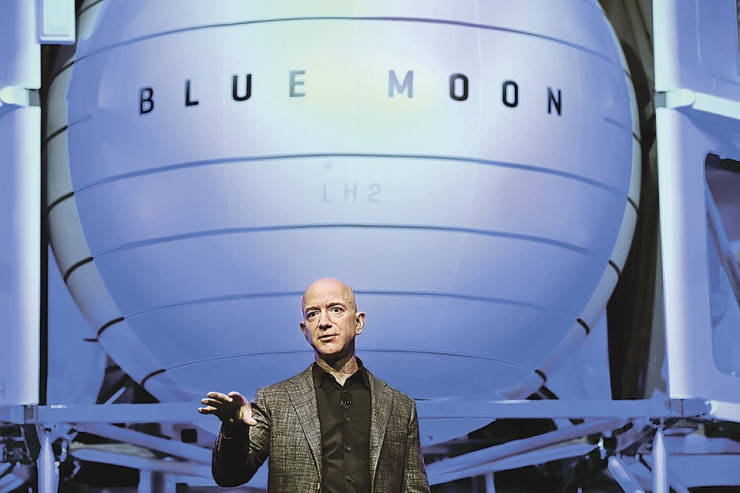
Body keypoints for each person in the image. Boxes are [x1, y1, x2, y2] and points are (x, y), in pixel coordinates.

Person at [198, 277, 430, 492]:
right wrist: (234, 429)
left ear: (359, 322)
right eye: (313, 314)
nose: (324, 322)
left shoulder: (400, 407)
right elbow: (229, 476)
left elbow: (415, 488)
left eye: (336, 310)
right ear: (305, 331)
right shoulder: (274, 401)